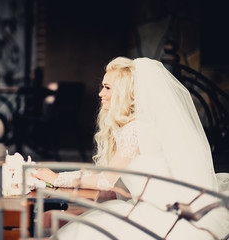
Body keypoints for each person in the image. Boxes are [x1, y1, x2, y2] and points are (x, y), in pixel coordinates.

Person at [34, 57, 229, 239]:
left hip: (160, 214)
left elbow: (105, 180)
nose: (101, 93)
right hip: (148, 205)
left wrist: (57, 177)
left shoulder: (134, 130)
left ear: (124, 92)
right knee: (68, 220)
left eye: (107, 87)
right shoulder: (133, 126)